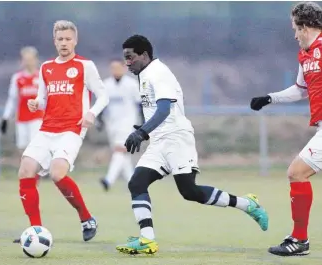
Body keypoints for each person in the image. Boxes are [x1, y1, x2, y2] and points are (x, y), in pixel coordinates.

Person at [115, 35, 269, 255]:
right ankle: (147, 239)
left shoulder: (159, 73)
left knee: (189, 191)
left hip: (177, 139)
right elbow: (156, 113)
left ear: (144, 55)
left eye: (130, 58)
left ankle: (247, 204)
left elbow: (164, 110)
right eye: (125, 59)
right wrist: (146, 130)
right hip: (160, 141)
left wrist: (141, 132)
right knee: (136, 183)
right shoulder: (145, 74)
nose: (127, 63)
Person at [13, 20, 109, 243]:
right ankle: (36, 231)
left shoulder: (86, 66)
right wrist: (36, 103)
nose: (64, 43)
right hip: (47, 128)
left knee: (57, 173)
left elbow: (103, 95)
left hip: (72, 129)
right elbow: (43, 97)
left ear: (75, 40)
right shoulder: (46, 67)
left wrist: (92, 113)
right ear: (54, 41)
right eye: (60, 39)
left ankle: (87, 219)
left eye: (68, 39)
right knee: (26, 169)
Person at [250, 2, 322, 257]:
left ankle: (300, 240)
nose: (293, 35)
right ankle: (299, 239)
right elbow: (300, 89)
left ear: (305, 27)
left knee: (297, 172)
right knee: (297, 173)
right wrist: (270, 98)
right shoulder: (305, 55)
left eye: (295, 29)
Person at [97, 58, 144, 191]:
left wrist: (143, 123)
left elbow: (139, 104)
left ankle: (108, 180)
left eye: (118, 67)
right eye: (113, 68)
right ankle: (133, 183)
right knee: (122, 155)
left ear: (124, 68)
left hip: (128, 123)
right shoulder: (106, 84)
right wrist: (99, 120)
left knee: (120, 150)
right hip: (112, 124)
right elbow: (102, 104)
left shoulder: (131, 84)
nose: (115, 70)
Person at [1, 46, 43, 152]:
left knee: (35, 148)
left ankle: (38, 168)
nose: (28, 62)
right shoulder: (18, 78)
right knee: (22, 149)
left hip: (38, 118)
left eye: (30, 59)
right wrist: (6, 117)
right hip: (22, 119)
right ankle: (25, 169)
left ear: (36, 60)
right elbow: (12, 99)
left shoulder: (42, 77)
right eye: (25, 59)